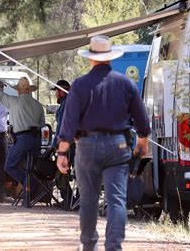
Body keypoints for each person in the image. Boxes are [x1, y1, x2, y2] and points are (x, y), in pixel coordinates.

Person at [56, 35, 150, 250]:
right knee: (116, 199)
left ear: (91, 59)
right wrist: (142, 141)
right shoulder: (125, 83)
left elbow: (69, 123)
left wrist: (62, 152)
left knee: (88, 200)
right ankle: (114, 247)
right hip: (118, 146)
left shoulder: (79, 85)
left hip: (87, 147)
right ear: (110, 58)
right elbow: (142, 119)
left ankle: (89, 246)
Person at [0, 66, 45, 204]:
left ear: (18, 91)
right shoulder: (38, 105)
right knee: (31, 167)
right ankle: (29, 191)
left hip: (22, 139)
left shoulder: (14, 102)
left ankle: (28, 184)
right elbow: (42, 124)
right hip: (36, 139)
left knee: (10, 165)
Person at [50, 80, 74, 209]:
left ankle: (69, 200)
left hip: (66, 143)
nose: (55, 95)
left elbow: (62, 127)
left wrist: (57, 144)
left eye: (56, 92)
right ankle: (71, 200)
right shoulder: (68, 102)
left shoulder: (66, 104)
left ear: (61, 91)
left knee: (60, 172)